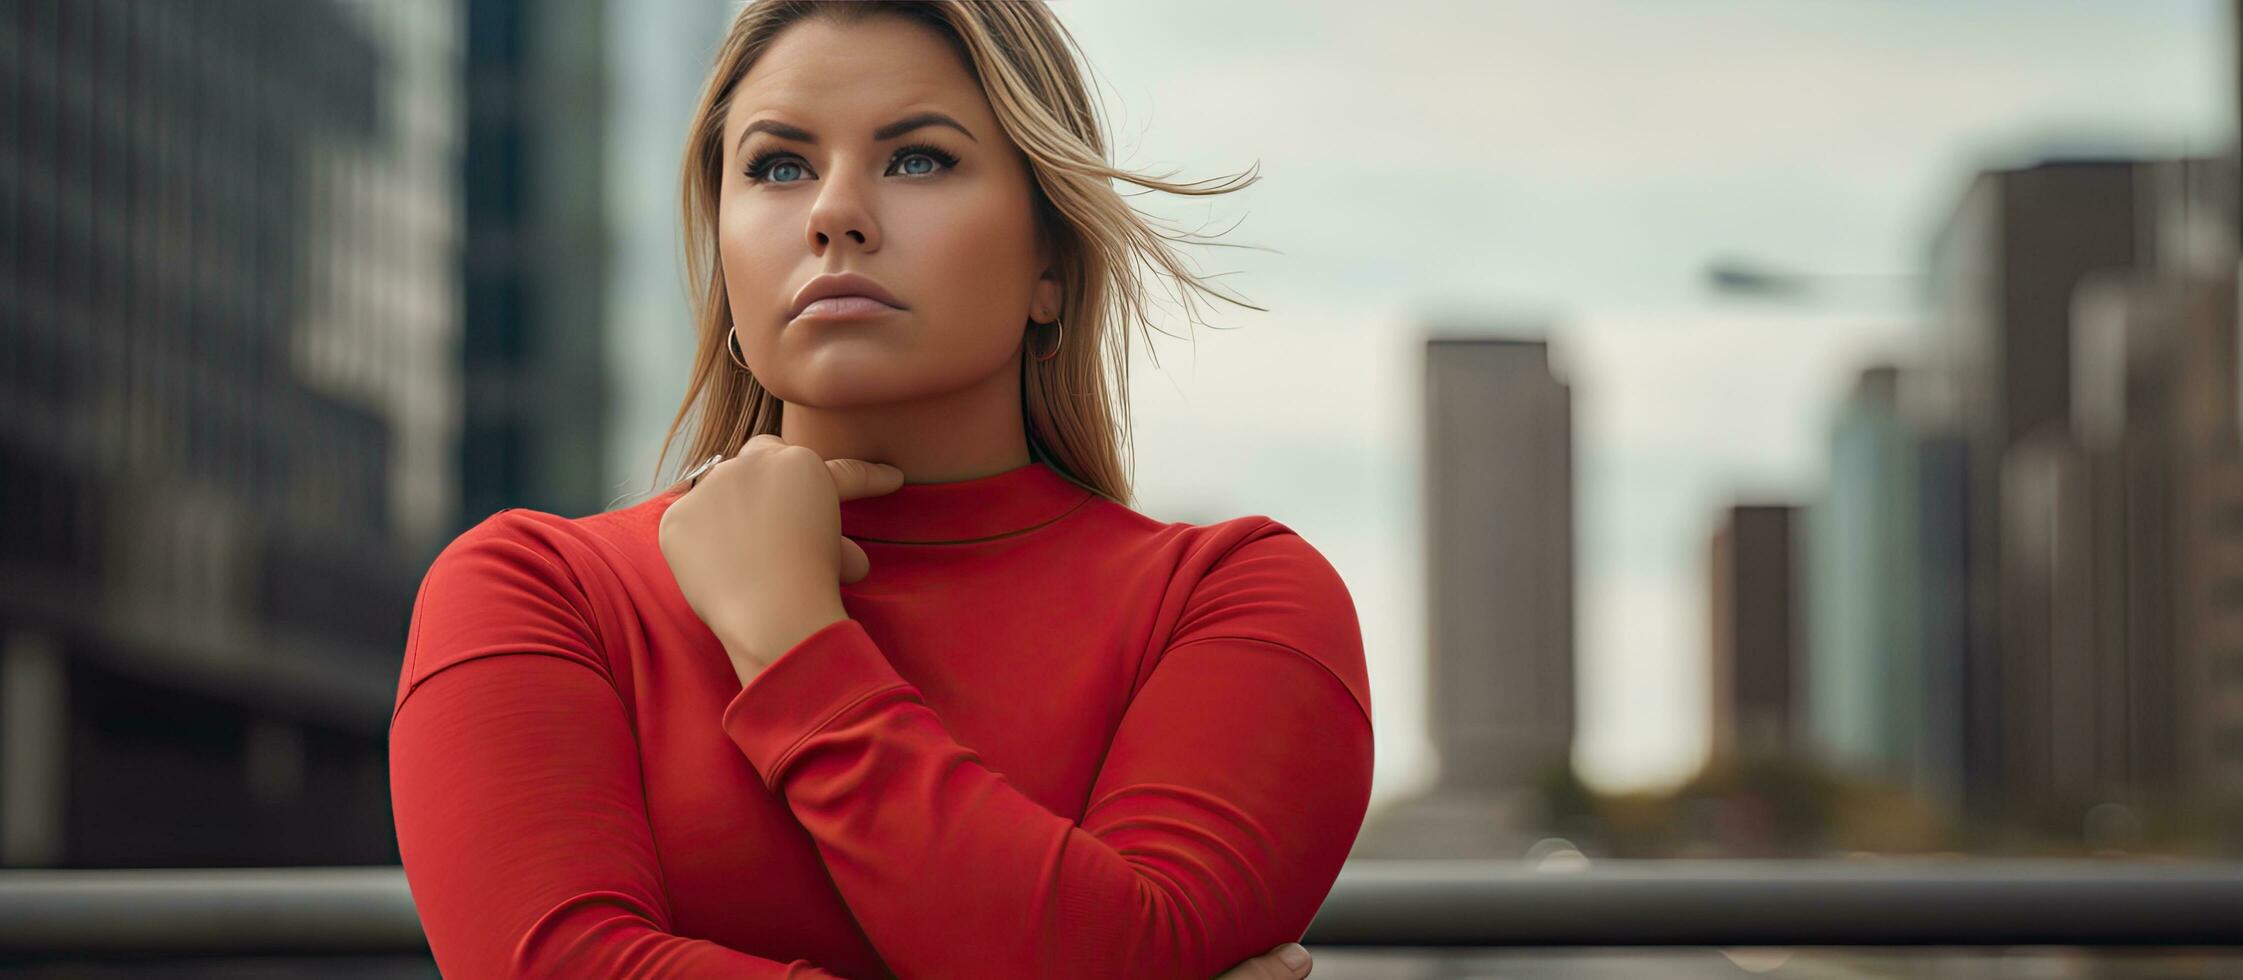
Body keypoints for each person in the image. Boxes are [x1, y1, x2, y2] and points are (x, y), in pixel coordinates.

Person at [387, 1, 1372, 976]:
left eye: (917, 159)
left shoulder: (1232, 601)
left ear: (1052, 265)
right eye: (778, 166)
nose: (832, 213)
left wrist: (792, 640)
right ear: (722, 250)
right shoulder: (535, 590)